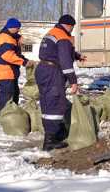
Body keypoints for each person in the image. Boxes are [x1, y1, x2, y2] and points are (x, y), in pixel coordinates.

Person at [35, 14, 85, 151]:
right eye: (72, 28)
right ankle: (50, 140)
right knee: (55, 103)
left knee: (47, 101)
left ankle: (51, 135)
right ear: (69, 26)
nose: (72, 30)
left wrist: (77, 55)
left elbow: (58, 52)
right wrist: (73, 81)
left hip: (43, 69)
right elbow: (65, 61)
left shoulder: (52, 33)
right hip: (52, 72)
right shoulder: (63, 37)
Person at [0, 18, 34, 111]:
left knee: (14, 95)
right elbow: (7, 55)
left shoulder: (11, 38)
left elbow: (16, 55)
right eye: (17, 28)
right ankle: (6, 119)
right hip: (5, 74)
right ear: (12, 27)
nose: (18, 30)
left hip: (11, 73)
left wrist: (26, 60)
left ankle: (13, 119)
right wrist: (23, 62)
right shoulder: (5, 37)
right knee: (7, 99)